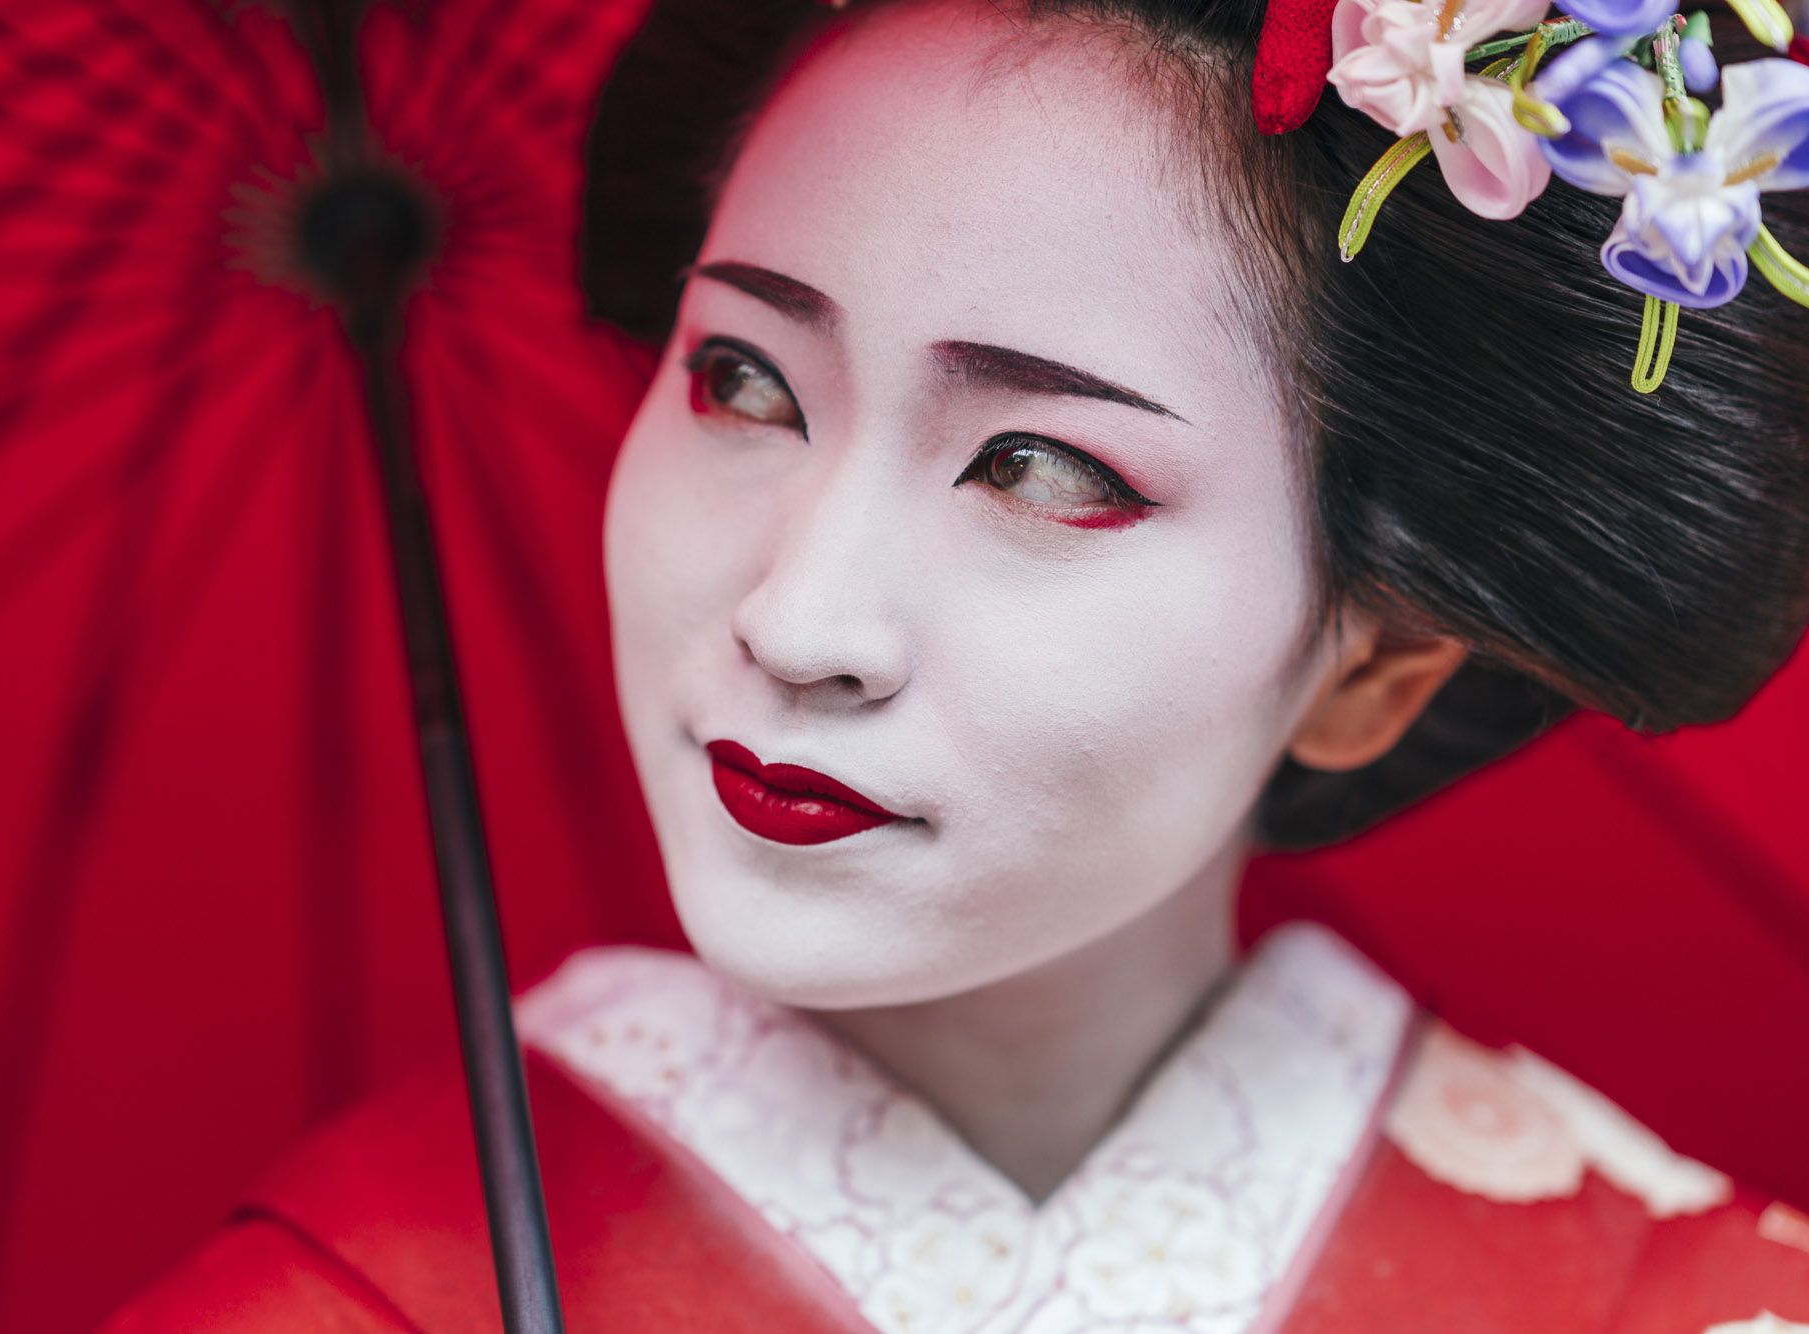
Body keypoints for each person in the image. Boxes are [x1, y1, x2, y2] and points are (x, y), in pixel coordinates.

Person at [104, 0, 1809, 1328]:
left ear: (1379, 665)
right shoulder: (348, 1299)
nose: (800, 619)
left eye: (1043, 468)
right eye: (744, 381)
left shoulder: (1671, 1301)